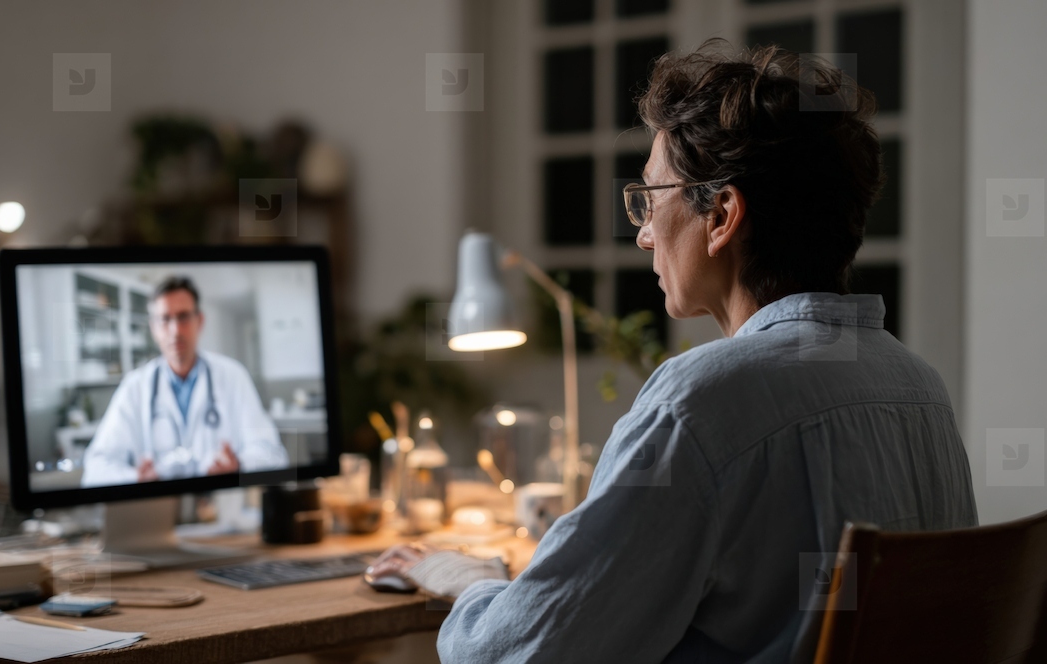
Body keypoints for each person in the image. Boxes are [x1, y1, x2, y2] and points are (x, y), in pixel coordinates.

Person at [367, 41, 977, 662]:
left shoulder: (703, 401)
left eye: (649, 200)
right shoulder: (921, 389)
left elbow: (522, 654)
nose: (642, 234)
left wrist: (470, 580)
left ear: (721, 215)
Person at [82, 276, 288, 487]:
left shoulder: (233, 376)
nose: (175, 330)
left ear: (200, 321)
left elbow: (272, 454)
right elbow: (96, 468)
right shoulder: (134, 387)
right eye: (165, 319)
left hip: (221, 503)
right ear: (153, 328)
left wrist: (239, 466)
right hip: (156, 510)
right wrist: (135, 478)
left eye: (183, 317)